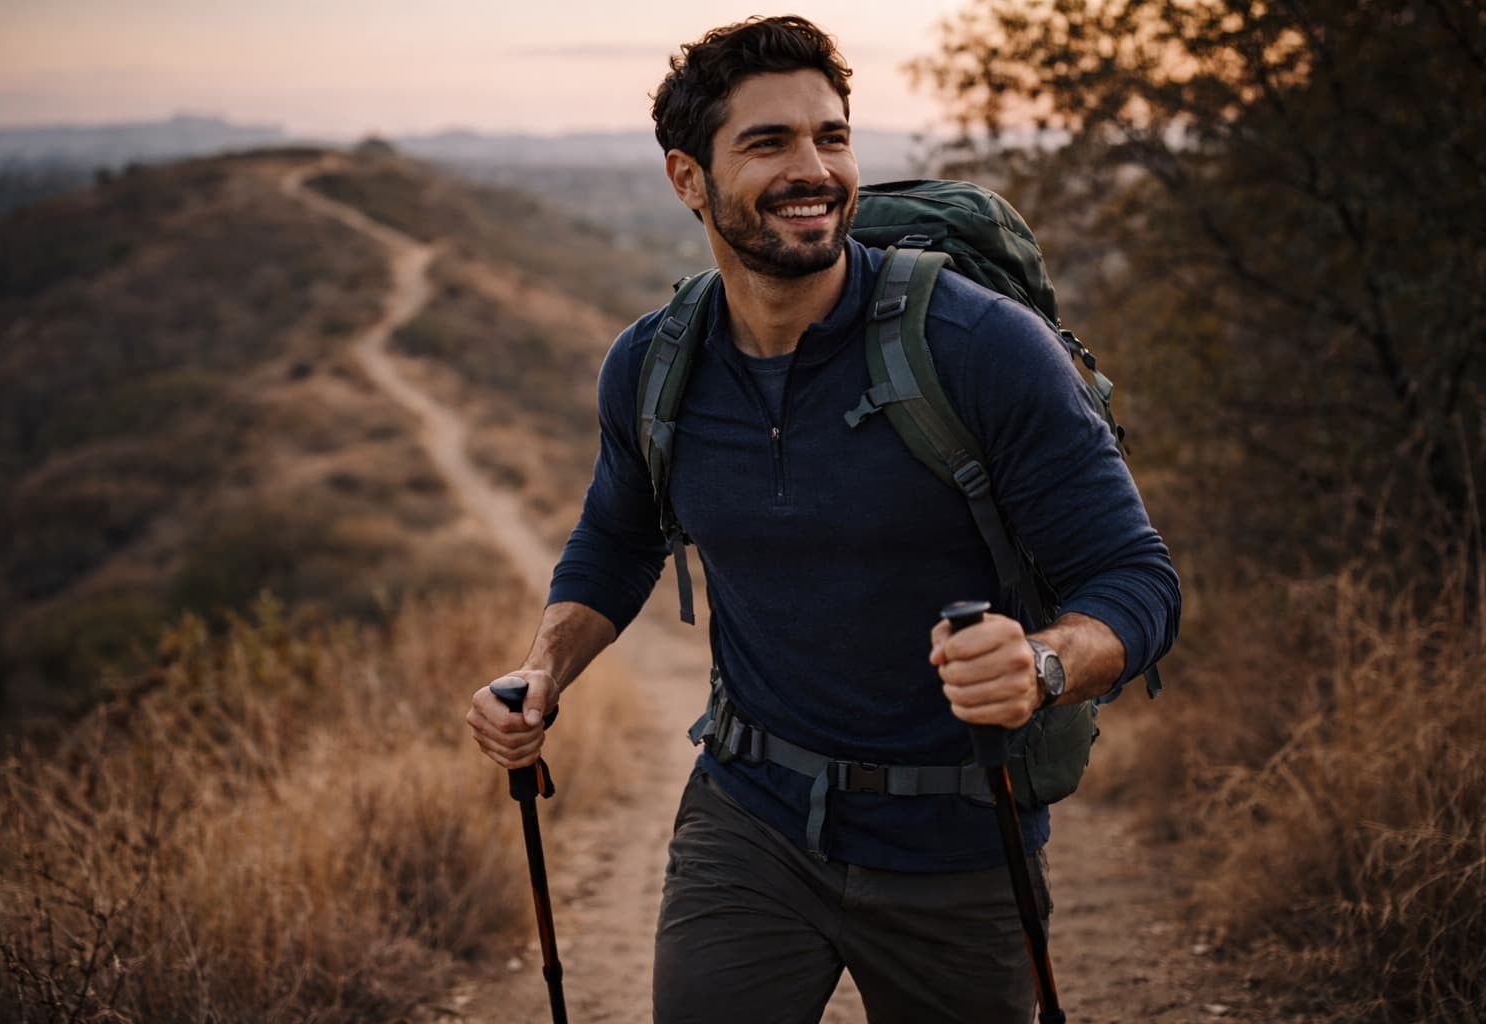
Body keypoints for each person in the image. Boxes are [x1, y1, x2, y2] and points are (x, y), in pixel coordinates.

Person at [467, 15, 1180, 1023]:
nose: (815, 169)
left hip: (961, 843)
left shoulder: (982, 349)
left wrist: (1046, 663)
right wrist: (545, 667)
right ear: (688, 179)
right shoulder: (654, 365)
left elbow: (1138, 580)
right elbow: (618, 537)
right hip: (748, 820)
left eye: (831, 137)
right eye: (769, 144)